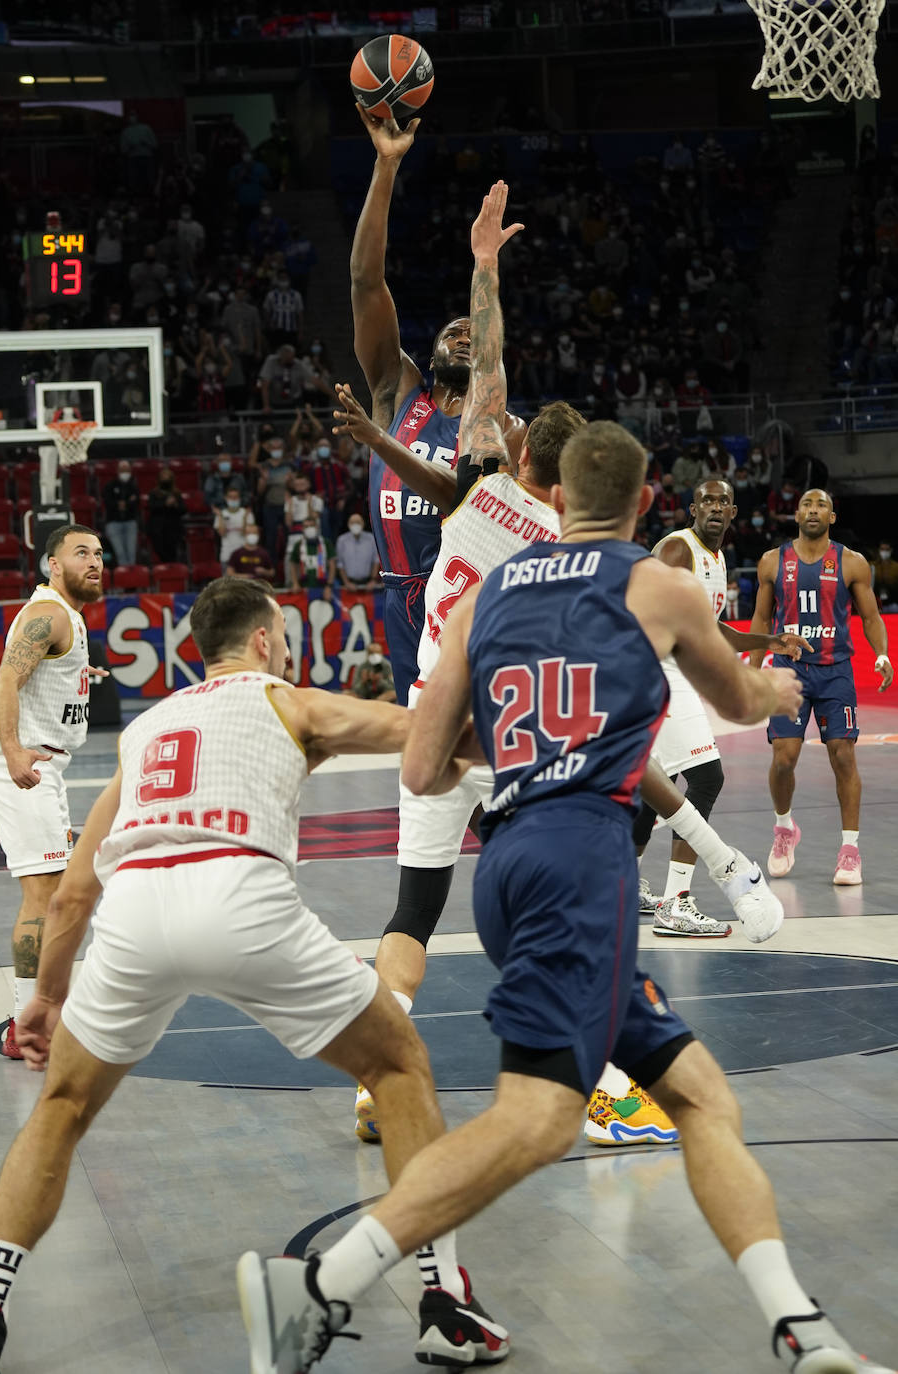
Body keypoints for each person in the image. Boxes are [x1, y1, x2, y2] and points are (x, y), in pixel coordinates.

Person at [238, 423, 894, 1374]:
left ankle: (799, 1328)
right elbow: (742, 704)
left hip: (510, 857)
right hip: (578, 864)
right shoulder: (655, 583)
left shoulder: (482, 593)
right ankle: (317, 1286)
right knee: (539, 1118)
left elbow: (422, 767)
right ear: (640, 502)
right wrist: (779, 683)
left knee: (700, 1097)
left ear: (549, 488)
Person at [0, 577, 507, 1373]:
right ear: (264, 641)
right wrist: (526, 734)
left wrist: (46, 998)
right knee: (397, 1066)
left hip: (135, 917)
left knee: (61, 1107)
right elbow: (419, 733)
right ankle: (443, 1302)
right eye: (284, 636)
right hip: (240, 901)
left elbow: (77, 891)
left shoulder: (149, 728)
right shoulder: (287, 700)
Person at [339, 185, 783, 1154]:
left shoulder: (475, 493)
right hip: (510, 727)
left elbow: (487, 365)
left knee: (413, 907)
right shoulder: (566, 539)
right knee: (584, 894)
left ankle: (379, 1074)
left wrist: (483, 266)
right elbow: (493, 369)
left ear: (514, 450)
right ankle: (611, 1081)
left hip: (430, 707)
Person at [349, 105, 525, 705]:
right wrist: (385, 166)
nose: (463, 333)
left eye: (472, 331)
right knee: (423, 751)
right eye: (453, 328)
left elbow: (463, 496)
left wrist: (486, 267)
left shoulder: (498, 427)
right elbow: (365, 283)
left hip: (469, 591)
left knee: (482, 742)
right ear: (427, 350)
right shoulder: (395, 391)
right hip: (400, 594)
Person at [633, 477, 811, 936]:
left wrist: (772, 639)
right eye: (707, 499)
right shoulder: (678, 550)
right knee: (707, 777)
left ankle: (623, 884)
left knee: (657, 785)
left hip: (669, 672)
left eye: (724, 501)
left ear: (733, 512)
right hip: (658, 672)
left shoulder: (716, 558)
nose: (716, 506)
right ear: (692, 508)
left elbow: (714, 632)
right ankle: (676, 901)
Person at [0, 525, 106, 1060]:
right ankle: (25, 1022)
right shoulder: (47, 613)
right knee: (46, 896)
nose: (95, 561)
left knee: (56, 893)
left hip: (44, 763)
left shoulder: (64, 617)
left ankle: (34, 1011)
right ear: (53, 564)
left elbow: (40, 672)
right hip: (25, 761)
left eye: (99, 553)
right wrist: (12, 752)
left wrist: (78, 670)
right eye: (81, 553)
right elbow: (4, 682)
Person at [750, 489, 893, 885]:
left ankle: (850, 850)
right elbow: (761, 619)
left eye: (821, 506)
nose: (813, 510)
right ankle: (784, 829)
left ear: (832, 516)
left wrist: (881, 654)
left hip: (835, 672)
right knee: (783, 759)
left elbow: (870, 615)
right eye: (807, 505)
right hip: (788, 669)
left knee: (843, 756)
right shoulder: (771, 562)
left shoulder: (851, 561)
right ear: (795, 514)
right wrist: (755, 665)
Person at [101, 461, 141, 568]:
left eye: (127, 469)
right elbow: (107, 502)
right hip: (113, 523)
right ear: (118, 471)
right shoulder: (110, 486)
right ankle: (124, 578)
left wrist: (124, 503)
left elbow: (136, 502)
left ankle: (132, 580)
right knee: (120, 553)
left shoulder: (134, 486)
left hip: (130, 522)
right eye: (122, 470)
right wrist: (125, 503)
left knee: (131, 553)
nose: (125, 472)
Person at [146, 466, 186, 563]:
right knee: (160, 549)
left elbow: (183, 510)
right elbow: (151, 507)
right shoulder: (154, 493)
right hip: (158, 528)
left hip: (173, 527)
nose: (165, 478)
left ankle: (172, 567)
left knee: (173, 549)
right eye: (163, 476)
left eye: (167, 476)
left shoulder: (176, 493)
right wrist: (165, 504)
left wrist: (175, 504)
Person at [334, 516, 379, 592]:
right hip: (348, 584)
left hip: (368, 583)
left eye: (358, 522)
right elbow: (339, 563)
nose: (355, 525)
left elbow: (376, 560)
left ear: (363, 524)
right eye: (352, 523)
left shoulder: (371, 538)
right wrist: (346, 582)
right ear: (348, 524)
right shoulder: (342, 540)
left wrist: (373, 580)